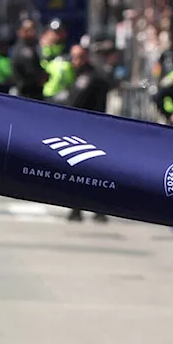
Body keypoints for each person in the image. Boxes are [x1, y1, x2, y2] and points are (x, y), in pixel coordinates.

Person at [65, 42, 112, 223]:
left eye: (77, 57)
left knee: (87, 172)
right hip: (87, 129)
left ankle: (90, 209)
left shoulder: (88, 77)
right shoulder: (84, 75)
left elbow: (76, 102)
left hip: (87, 130)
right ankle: (80, 209)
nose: (74, 61)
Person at [10, 19, 48, 100]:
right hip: (27, 95)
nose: (32, 32)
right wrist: (43, 76)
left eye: (33, 29)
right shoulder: (24, 51)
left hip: (33, 93)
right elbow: (32, 73)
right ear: (20, 31)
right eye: (27, 30)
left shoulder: (32, 47)